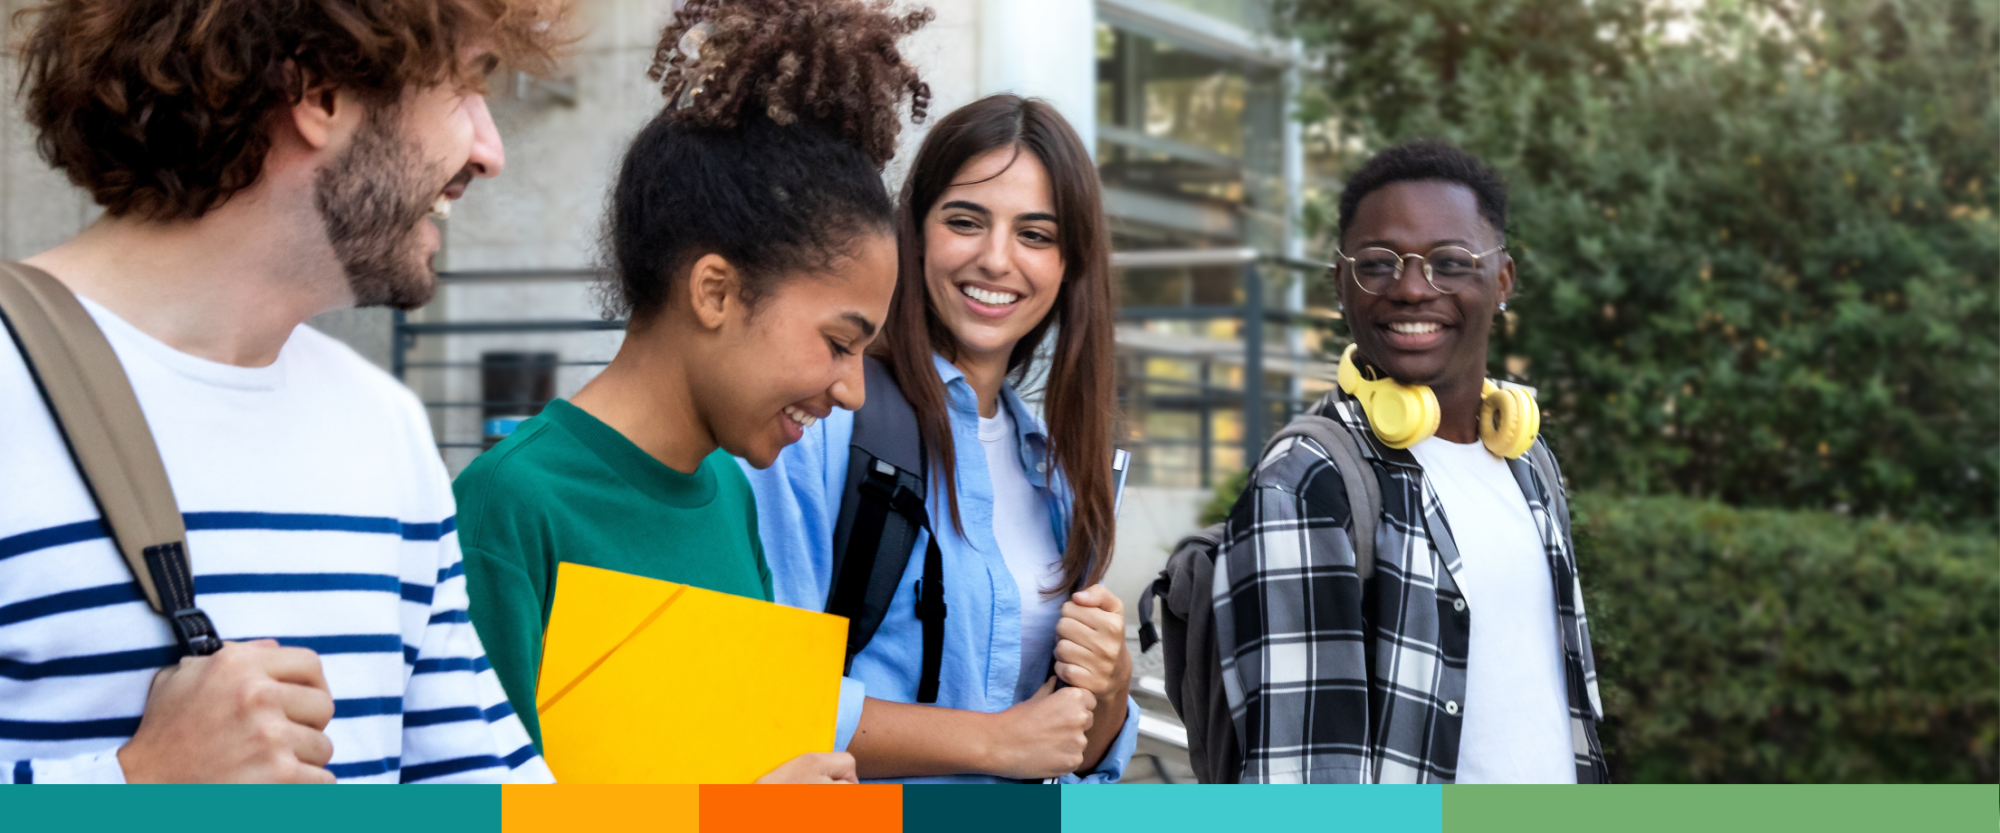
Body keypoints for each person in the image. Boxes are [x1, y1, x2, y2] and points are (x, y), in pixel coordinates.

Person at [0, 0, 573, 783]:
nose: (490, 150)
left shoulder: (387, 427)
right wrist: (137, 785)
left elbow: (473, 795)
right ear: (321, 93)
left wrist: (734, 811)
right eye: (468, 86)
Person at [452, 0, 930, 785]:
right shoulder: (509, 508)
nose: (851, 392)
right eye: (840, 343)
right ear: (715, 292)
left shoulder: (730, 494)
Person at [743, 95, 1139, 783]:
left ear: (1070, 265)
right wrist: (992, 742)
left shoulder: (1057, 470)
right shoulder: (826, 421)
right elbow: (760, 691)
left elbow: (1081, 754)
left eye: (1035, 235)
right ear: (916, 234)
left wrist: (1111, 684)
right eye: (966, 221)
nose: (996, 259)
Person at [1213, 140, 1608, 784]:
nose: (1412, 288)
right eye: (1377, 264)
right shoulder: (1310, 478)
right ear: (1341, 283)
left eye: (1451, 263)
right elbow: (1306, 781)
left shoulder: (1528, 462)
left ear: (1502, 280)